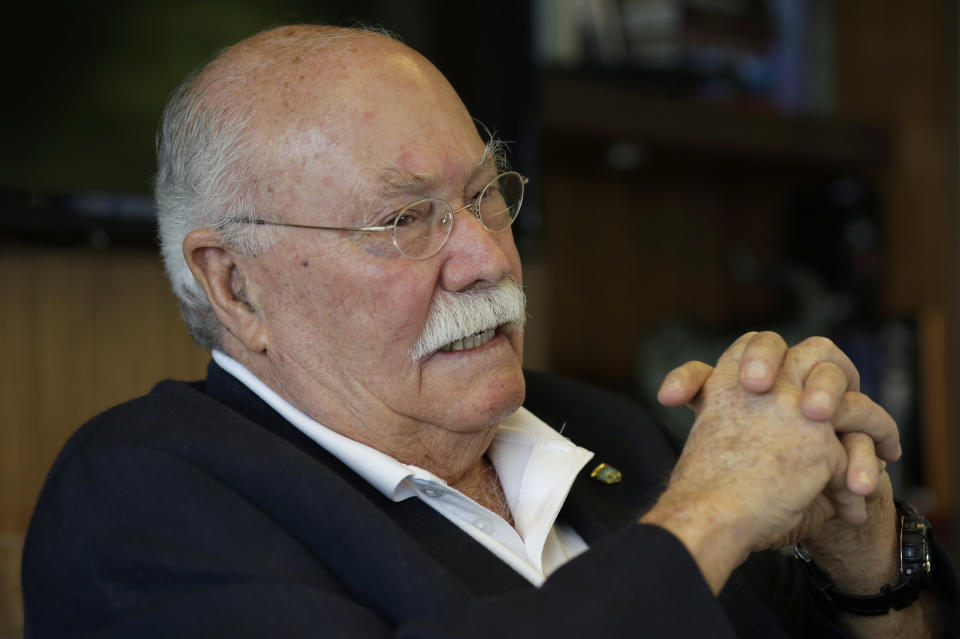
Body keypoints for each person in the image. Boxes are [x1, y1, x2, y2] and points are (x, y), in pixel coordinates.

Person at [22, 24, 957, 638]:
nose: (484, 257)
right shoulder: (141, 491)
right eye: (403, 220)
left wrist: (864, 558)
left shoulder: (602, 430)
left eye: (481, 195)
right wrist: (713, 509)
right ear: (234, 285)